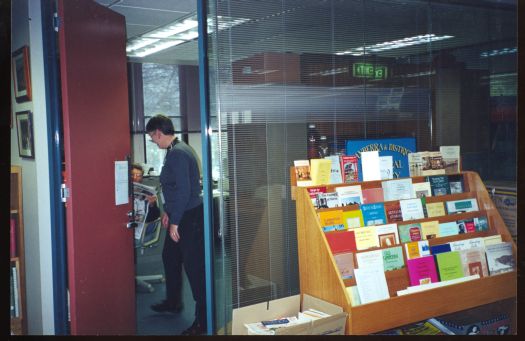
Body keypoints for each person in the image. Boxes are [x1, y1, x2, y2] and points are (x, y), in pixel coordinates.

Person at [146, 114, 206, 336]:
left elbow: (183, 192)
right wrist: (168, 214)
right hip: (181, 213)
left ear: (158, 133)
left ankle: (203, 322)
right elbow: (176, 188)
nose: (153, 141)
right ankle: (173, 302)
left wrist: (176, 222)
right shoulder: (176, 149)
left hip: (189, 218)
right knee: (169, 257)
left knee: (195, 269)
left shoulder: (178, 154)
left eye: (152, 137)